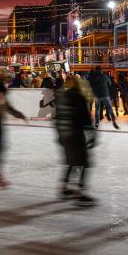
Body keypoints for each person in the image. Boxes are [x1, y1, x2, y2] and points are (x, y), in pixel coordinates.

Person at [54, 76, 95, 207]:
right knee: (84, 162)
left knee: (72, 161)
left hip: (64, 134)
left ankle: (64, 188)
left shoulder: (61, 97)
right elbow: (86, 119)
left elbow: (57, 118)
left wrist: (59, 135)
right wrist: (92, 135)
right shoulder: (79, 98)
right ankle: (79, 193)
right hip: (75, 134)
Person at [0, 70, 26, 188]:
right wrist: (18, 114)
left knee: (0, 147)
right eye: (3, 76)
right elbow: (4, 105)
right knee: (0, 146)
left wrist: (17, 113)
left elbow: (4, 105)